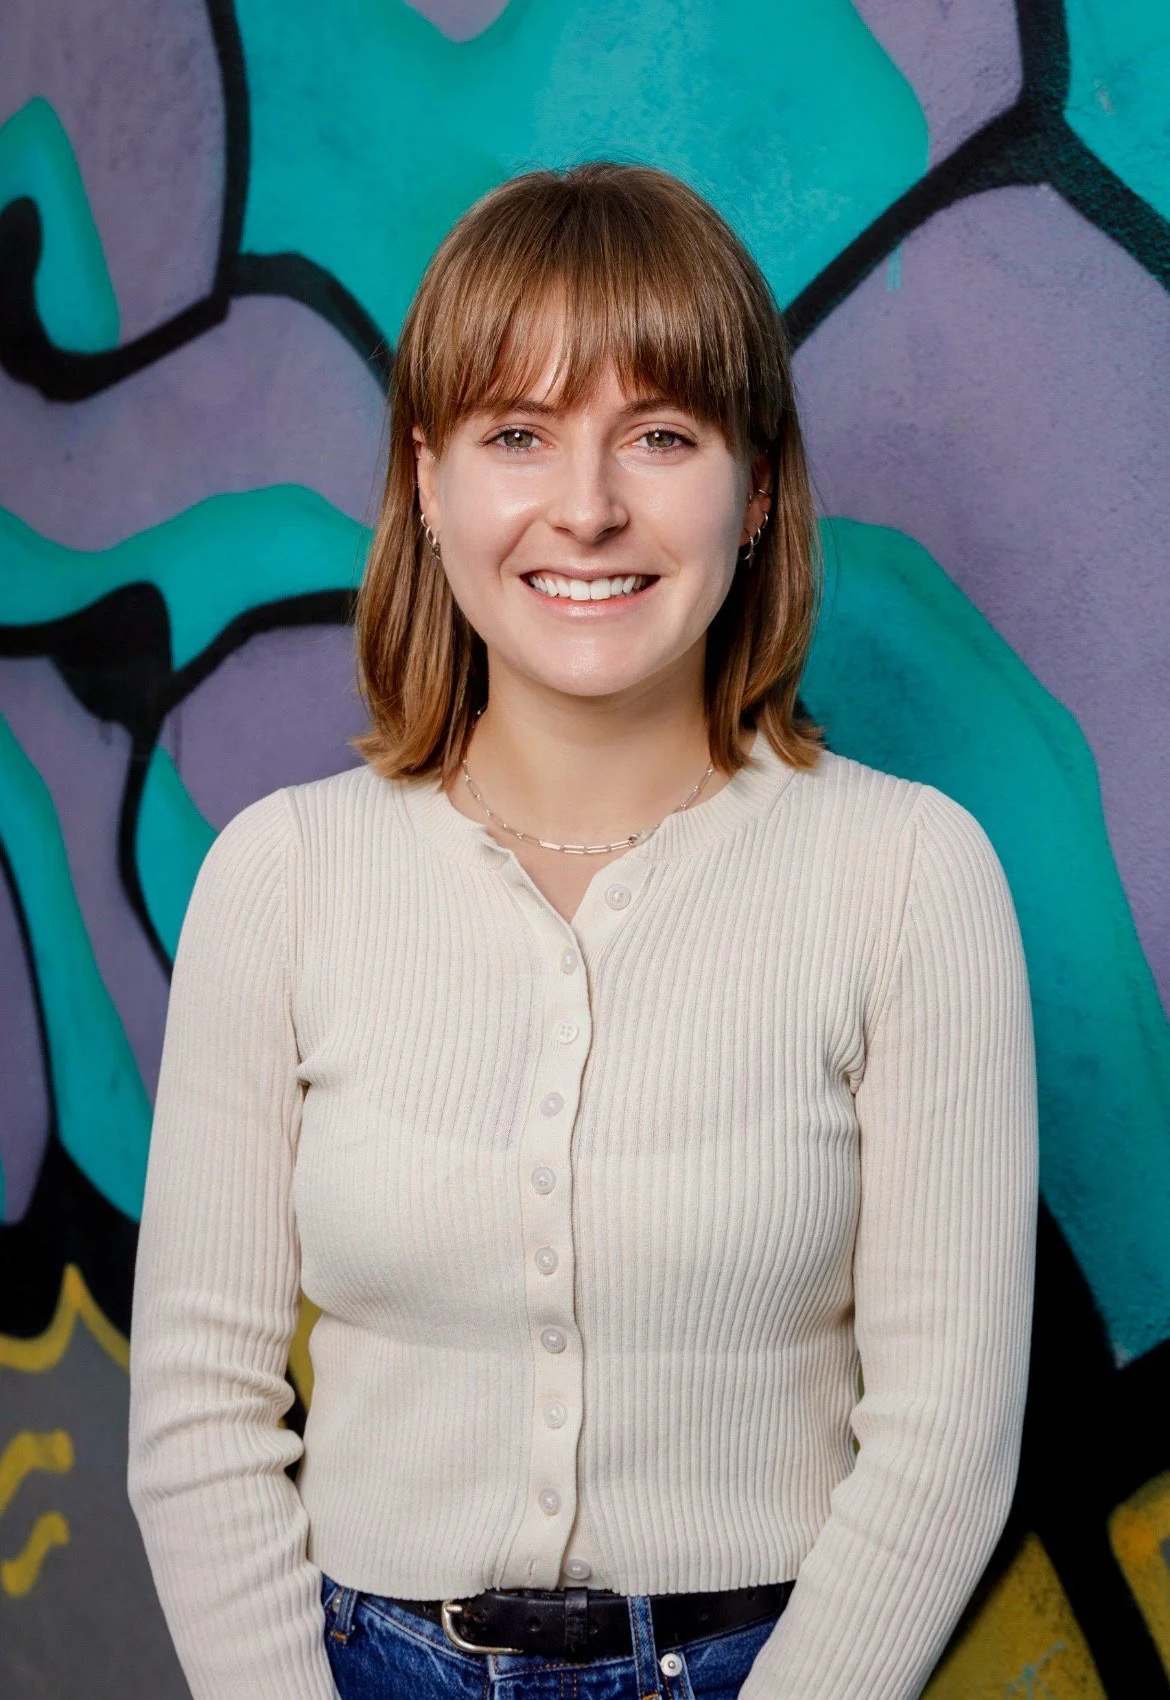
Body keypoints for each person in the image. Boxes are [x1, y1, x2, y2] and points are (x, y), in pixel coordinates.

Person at [127, 161, 1039, 1700]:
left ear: (757, 490)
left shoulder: (906, 876)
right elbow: (198, 1411)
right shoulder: (279, 877)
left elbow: (944, 1439)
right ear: (427, 482)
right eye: (516, 434)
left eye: (661, 435)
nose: (588, 506)